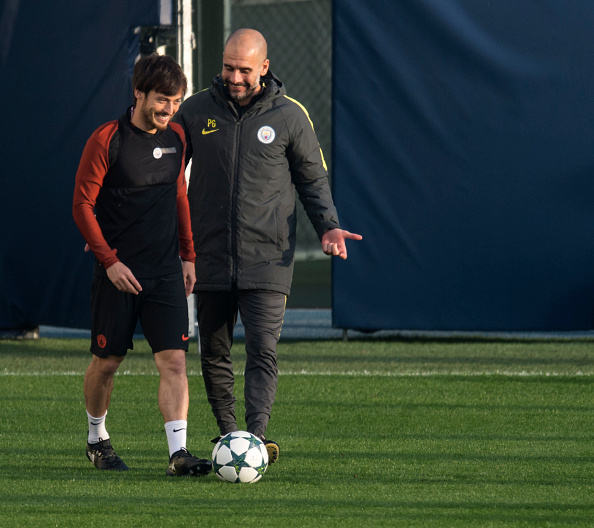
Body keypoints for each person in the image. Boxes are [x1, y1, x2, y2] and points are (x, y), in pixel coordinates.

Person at [174, 29, 362, 463]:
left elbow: (312, 179)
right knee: (214, 352)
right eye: (227, 66)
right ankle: (227, 436)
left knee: (263, 349)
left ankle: (255, 439)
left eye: (243, 69)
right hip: (210, 256)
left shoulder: (291, 115)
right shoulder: (195, 110)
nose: (234, 76)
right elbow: (164, 170)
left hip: (268, 257)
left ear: (264, 66)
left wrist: (329, 227)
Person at [72, 54, 212, 477]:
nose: (169, 109)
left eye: (176, 101)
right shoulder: (107, 139)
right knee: (108, 363)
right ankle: (97, 439)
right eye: (162, 99)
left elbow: (179, 195)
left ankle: (179, 453)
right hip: (118, 275)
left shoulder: (178, 139)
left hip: (166, 271)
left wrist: (188, 255)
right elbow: (82, 205)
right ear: (138, 93)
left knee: (173, 362)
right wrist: (109, 261)